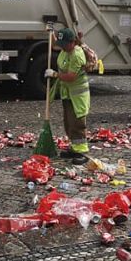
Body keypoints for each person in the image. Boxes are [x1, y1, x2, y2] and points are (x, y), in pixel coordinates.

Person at [45, 28, 90, 165]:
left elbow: (71, 77)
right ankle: (74, 148)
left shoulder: (76, 55)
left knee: (77, 123)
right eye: (61, 44)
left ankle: (82, 152)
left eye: (64, 44)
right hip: (67, 94)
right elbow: (53, 45)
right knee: (68, 122)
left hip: (78, 96)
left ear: (72, 42)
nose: (62, 47)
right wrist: (51, 31)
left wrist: (55, 75)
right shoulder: (65, 50)